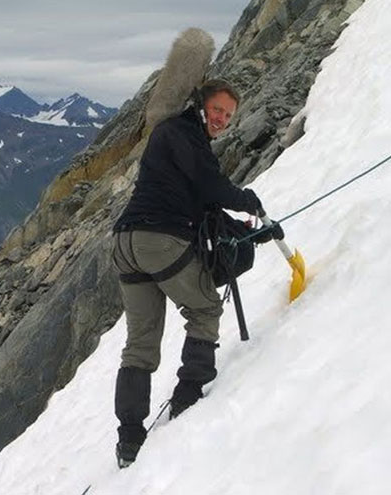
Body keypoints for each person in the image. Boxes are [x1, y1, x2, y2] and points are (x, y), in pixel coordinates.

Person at [111, 79, 282, 468]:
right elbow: (212, 187)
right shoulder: (184, 134)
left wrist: (255, 230)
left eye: (229, 115)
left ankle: (129, 441)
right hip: (160, 240)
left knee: (140, 341)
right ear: (202, 105)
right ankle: (189, 393)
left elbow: (204, 204)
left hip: (125, 243)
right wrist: (248, 200)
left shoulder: (175, 136)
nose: (222, 119)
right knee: (204, 308)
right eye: (219, 110)